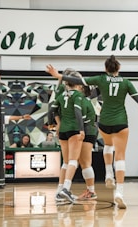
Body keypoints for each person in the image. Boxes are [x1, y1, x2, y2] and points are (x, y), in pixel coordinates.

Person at [46, 56, 138, 209]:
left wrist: (59, 76)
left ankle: (108, 173)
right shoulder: (126, 82)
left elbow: (76, 84)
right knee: (119, 156)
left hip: (103, 122)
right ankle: (119, 191)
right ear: (119, 68)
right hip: (118, 122)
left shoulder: (100, 79)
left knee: (106, 146)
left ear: (106, 68)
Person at [54, 70, 98, 202]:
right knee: (71, 161)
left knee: (84, 162)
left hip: (87, 130)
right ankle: (62, 190)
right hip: (76, 130)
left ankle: (90, 191)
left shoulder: (83, 99)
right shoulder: (68, 96)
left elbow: (85, 118)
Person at [51, 71, 85, 203]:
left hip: (63, 129)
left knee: (66, 162)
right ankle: (66, 188)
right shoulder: (77, 95)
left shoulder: (61, 95)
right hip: (74, 129)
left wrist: (58, 124)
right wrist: (81, 129)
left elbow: (52, 110)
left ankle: (59, 192)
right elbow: (77, 111)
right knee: (73, 161)